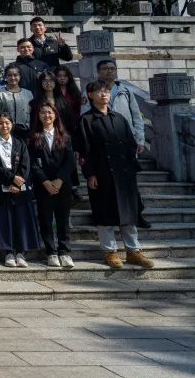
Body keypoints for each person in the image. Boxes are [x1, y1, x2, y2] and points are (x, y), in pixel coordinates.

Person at [80, 81, 154, 269]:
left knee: (129, 212)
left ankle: (133, 251)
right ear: (90, 95)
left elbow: (130, 143)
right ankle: (110, 251)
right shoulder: (86, 120)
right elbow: (84, 151)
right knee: (104, 213)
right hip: (102, 173)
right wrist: (90, 174)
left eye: (106, 91)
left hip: (124, 173)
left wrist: (132, 167)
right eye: (99, 91)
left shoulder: (119, 118)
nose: (104, 94)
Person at [0, 113, 41, 267]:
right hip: (1, 187)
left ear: (12, 125)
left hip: (20, 188)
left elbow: (26, 164)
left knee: (21, 220)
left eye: (7, 123)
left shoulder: (20, 142)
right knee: (5, 221)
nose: (4, 126)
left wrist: (17, 183)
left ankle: (21, 253)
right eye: (0, 123)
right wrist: (10, 180)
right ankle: (8, 252)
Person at [29, 103, 76, 268]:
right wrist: (46, 181)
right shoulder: (34, 137)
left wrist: (59, 179)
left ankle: (64, 251)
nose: (46, 115)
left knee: (63, 220)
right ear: (38, 116)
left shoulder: (65, 136)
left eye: (49, 112)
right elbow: (33, 163)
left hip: (62, 185)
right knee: (45, 220)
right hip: (43, 186)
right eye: (42, 113)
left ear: (55, 115)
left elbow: (70, 161)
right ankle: (51, 252)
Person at [0, 63, 34, 142]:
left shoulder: (28, 94)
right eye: (9, 75)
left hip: (25, 132)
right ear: (5, 77)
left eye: (15, 75)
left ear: (20, 76)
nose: (13, 78)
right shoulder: (0, 94)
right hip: (6, 131)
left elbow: (32, 113)